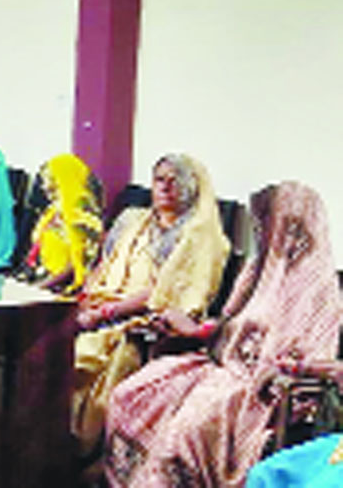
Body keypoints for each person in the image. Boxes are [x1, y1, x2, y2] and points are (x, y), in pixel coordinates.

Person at [105, 182, 341, 488]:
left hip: (258, 388)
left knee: (184, 431)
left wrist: (276, 370)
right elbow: (231, 325)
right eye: (265, 226)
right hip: (219, 364)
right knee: (131, 394)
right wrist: (197, 330)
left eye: (277, 225)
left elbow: (311, 357)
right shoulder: (259, 270)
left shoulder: (318, 291)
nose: (269, 235)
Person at [72, 153, 229, 458]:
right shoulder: (134, 221)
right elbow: (104, 266)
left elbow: (165, 293)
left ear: (193, 189)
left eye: (175, 181)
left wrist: (105, 313)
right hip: (101, 306)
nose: (166, 187)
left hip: (141, 319)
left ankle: (82, 450)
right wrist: (87, 298)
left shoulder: (199, 236)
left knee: (81, 358)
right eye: (160, 180)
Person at [24, 153, 104, 294]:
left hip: (63, 289)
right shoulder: (53, 211)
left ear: (64, 178)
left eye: (49, 179)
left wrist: (38, 288)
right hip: (43, 280)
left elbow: (75, 265)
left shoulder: (84, 216)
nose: (44, 186)